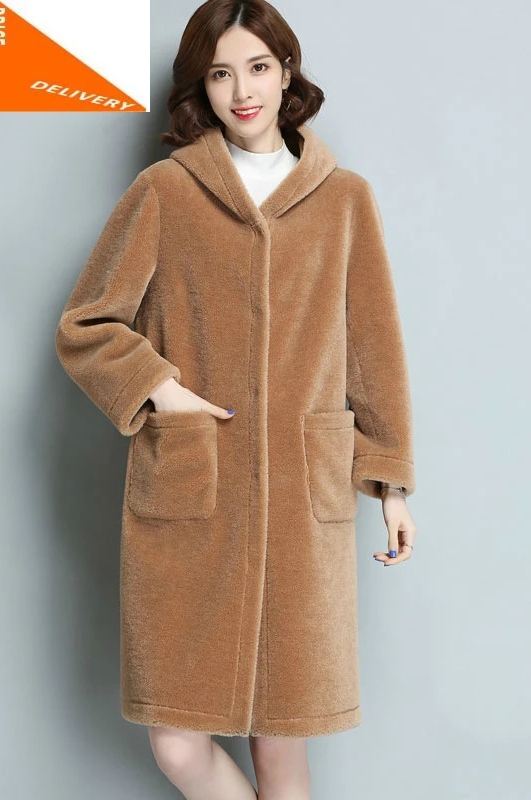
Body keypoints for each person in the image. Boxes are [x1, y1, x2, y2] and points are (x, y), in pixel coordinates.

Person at [55, 1, 419, 797]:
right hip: (191, 498)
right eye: (221, 74)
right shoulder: (167, 191)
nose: (242, 91)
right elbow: (87, 325)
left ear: (286, 72)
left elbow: (374, 350)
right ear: (203, 88)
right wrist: (162, 392)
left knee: (282, 747)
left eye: (257, 68)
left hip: (301, 504)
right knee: (178, 746)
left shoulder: (344, 199)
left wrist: (390, 482)